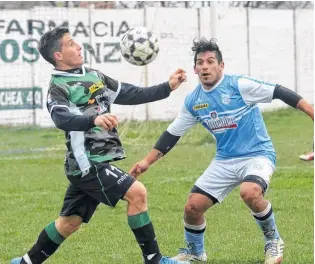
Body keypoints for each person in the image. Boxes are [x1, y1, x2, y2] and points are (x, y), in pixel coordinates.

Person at [10, 26, 190, 264]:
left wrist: (167, 87)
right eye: (71, 43)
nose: (78, 46)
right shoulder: (59, 88)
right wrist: (92, 119)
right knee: (137, 193)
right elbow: (61, 118)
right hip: (87, 163)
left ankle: (25, 262)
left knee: (69, 223)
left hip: (95, 162)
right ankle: (154, 260)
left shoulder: (93, 74)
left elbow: (129, 93)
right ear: (58, 55)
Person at [129, 38, 314, 264]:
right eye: (200, 63)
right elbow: (172, 134)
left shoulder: (239, 86)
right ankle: (195, 253)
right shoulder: (194, 101)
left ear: (221, 66)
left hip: (257, 154)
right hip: (225, 160)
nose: (205, 66)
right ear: (195, 69)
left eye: (210, 61)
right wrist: (147, 162)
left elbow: (278, 91)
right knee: (192, 207)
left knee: (250, 192)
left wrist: (311, 111)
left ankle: (273, 242)